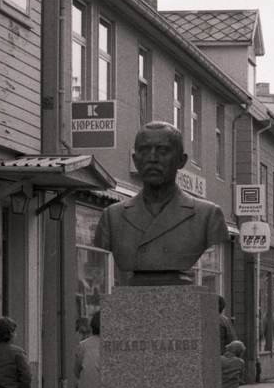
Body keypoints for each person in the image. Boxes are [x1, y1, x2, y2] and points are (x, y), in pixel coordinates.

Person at [94, 122, 228, 284]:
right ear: (135, 160)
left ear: (181, 161)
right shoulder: (112, 217)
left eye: (163, 151)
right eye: (144, 150)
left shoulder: (208, 216)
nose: (152, 159)